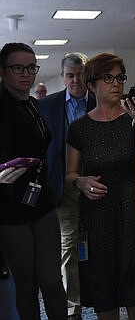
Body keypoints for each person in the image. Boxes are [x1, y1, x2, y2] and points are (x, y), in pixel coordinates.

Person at [65, 53, 135, 319]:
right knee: (104, 293)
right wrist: (80, 181)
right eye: (108, 78)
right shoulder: (80, 127)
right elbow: (70, 174)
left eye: (120, 77)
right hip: (98, 220)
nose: (116, 83)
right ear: (92, 85)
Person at [0, 42, 67, 319]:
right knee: (26, 286)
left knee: (52, 281)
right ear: (3, 72)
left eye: (31, 67)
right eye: (18, 68)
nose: (26, 74)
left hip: (41, 200)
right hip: (10, 206)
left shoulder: (33, 105)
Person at [39, 52, 94, 319]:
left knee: (100, 244)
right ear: (62, 77)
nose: (75, 80)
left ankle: (102, 297)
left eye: (80, 74)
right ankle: (72, 308)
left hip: (97, 186)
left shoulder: (101, 101)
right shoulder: (47, 106)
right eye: (70, 75)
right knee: (68, 247)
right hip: (63, 189)